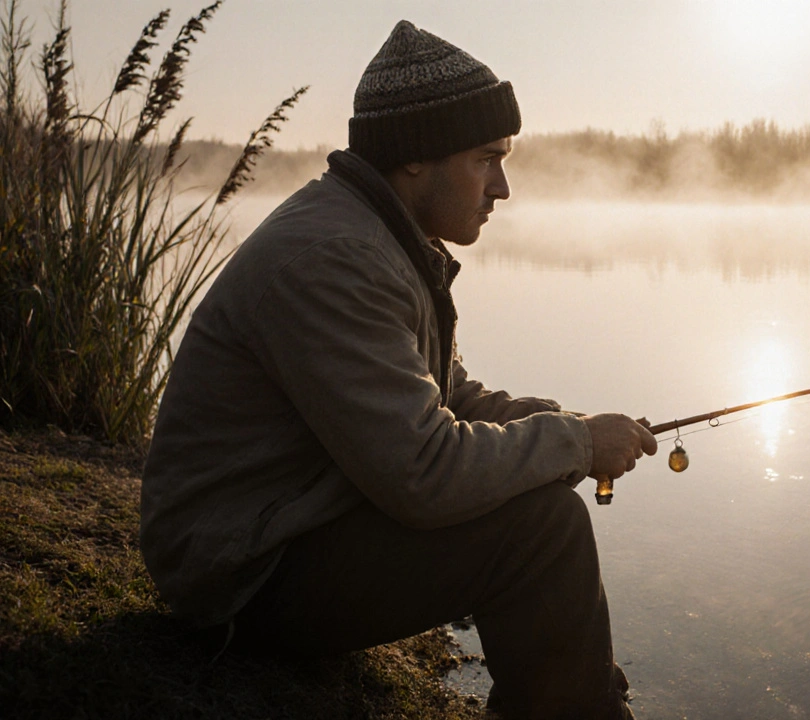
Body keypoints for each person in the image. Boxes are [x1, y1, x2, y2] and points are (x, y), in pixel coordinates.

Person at [140, 19, 656, 719]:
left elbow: (447, 395)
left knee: (536, 507)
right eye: (486, 158)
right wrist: (574, 446)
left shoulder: (376, 235)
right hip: (241, 574)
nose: (502, 188)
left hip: (286, 527)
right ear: (415, 157)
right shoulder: (335, 260)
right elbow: (424, 472)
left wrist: (569, 424)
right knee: (544, 529)